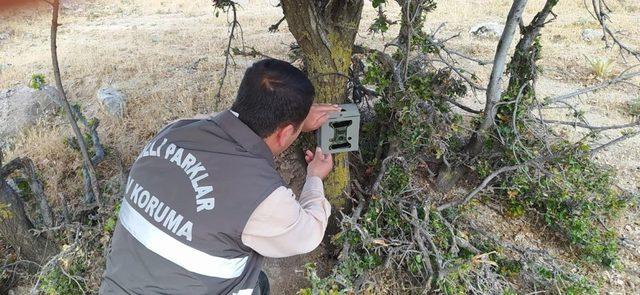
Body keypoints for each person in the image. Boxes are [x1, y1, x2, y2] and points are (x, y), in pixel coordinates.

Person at [100, 58, 340, 295]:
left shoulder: (174, 131)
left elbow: (223, 121)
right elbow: (309, 234)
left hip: (116, 287)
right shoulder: (260, 195)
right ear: (285, 133)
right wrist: (315, 178)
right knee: (257, 284)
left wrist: (294, 119)